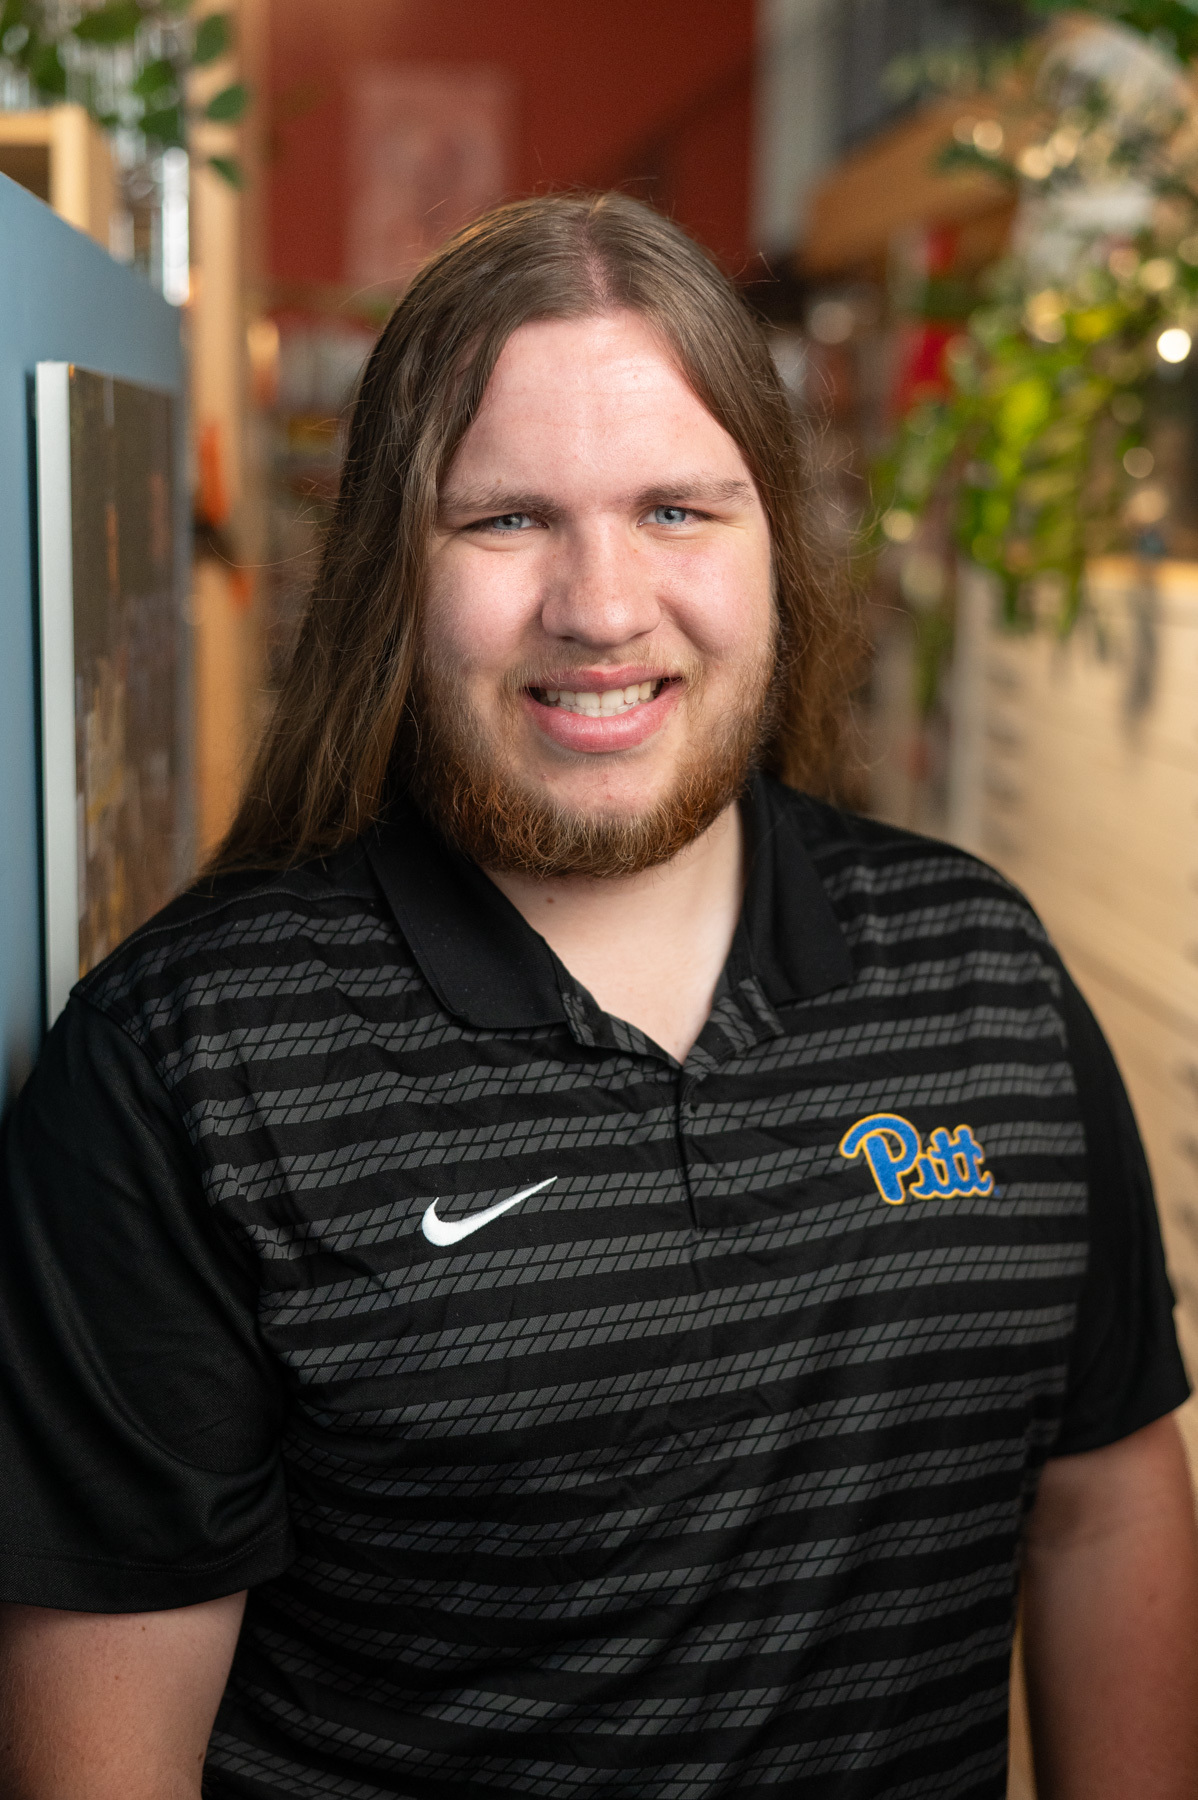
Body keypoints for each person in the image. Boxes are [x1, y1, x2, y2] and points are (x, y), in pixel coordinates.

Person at [1, 192, 1196, 1800]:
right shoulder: (183, 1070)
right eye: (504, 521)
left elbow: (1103, 1502)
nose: (602, 606)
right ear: (387, 574)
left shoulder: (979, 969)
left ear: (779, 536)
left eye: (676, 512)